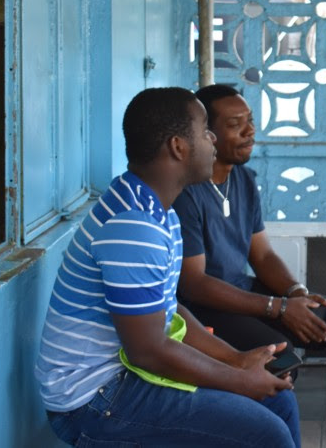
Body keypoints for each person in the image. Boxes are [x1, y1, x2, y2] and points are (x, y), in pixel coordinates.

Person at [35, 87, 301, 447]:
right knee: (267, 434)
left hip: (125, 373)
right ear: (178, 147)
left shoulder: (158, 211)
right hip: (92, 399)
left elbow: (167, 310)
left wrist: (236, 360)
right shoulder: (135, 226)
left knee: (278, 401)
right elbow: (149, 350)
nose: (212, 139)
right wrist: (239, 380)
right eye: (205, 130)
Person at [174, 84, 326, 448]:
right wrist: (278, 308)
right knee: (278, 350)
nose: (250, 131)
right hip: (205, 307)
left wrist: (296, 294)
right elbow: (194, 284)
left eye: (249, 121)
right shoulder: (187, 193)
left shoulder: (243, 179)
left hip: (245, 292)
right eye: (235, 124)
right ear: (207, 133)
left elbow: (262, 255)